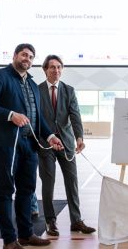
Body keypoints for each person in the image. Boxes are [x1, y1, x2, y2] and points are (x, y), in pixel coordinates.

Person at [0, 43, 64, 249]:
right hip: (6, 144)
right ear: (15, 55)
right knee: (6, 190)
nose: (27, 58)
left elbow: (37, 117)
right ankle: (9, 240)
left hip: (29, 145)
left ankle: (26, 234)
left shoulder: (33, 85)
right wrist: (10, 115)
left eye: (31, 56)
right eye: (24, 54)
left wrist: (51, 136)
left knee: (27, 190)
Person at [37, 55, 96, 236]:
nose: (56, 70)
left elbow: (75, 115)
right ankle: (50, 221)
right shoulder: (36, 90)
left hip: (67, 143)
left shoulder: (69, 90)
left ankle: (76, 221)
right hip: (46, 144)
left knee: (72, 182)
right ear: (45, 70)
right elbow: (35, 117)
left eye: (59, 67)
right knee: (48, 183)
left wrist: (79, 136)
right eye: (52, 67)